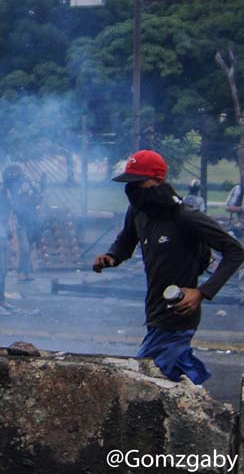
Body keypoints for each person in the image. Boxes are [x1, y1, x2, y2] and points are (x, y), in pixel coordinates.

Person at [92, 150, 244, 384]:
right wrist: (112, 256)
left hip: (177, 315)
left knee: (143, 380)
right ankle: (193, 399)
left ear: (157, 180)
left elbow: (235, 250)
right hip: (154, 310)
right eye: (128, 184)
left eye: (137, 183)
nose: (131, 190)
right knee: (170, 376)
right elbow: (126, 239)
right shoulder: (138, 211)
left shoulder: (185, 216)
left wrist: (202, 292)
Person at [0, 164, 25, 314]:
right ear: (12, 182)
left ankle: (1, 300)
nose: (21, 184)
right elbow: (1, 221)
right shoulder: (3, 198)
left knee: (3, 270)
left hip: (1, 236)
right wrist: (8, 236)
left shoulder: (8, 196)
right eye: (19, 181)